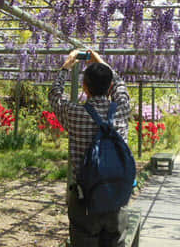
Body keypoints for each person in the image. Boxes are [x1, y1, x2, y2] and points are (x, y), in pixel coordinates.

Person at [49, 49, 131, 247]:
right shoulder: (122, 108)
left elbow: (54, 95)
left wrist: (66, 66)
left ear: (85, 87)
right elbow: (119, 85)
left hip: (85, 202)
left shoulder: (75, 113)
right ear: (109, 85)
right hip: (115, 201)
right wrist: (101, 63)